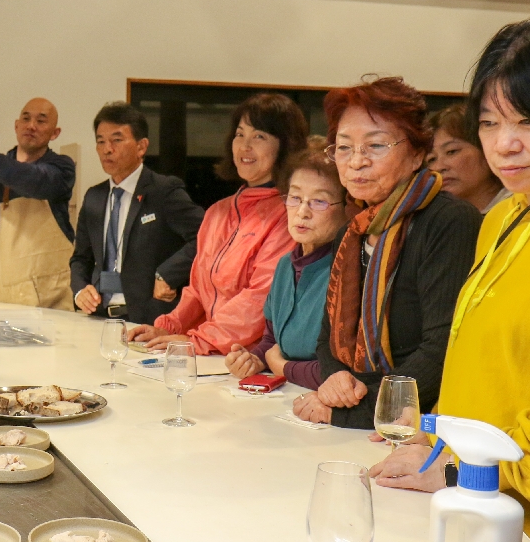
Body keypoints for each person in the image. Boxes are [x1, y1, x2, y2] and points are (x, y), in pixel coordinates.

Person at [368, 13, 530, 542]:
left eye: (529, 120)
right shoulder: (505, 219)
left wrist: (460, 472)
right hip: (472, 512)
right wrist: (440, 452)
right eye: (489, 122)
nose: (505, 145)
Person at [292, 77, 480, 428]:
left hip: (413, 426)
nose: (356, 162)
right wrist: (333, 380)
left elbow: (442, 348)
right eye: (344, 147)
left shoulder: (448, 219)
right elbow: (327, 335)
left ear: (417, 154)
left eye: (375, 146)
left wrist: (352, 413)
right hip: (355, 413)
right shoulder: (352, 229)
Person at [128, 93, 305, 354]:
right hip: (208, 353)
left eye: (259, 136)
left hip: (253, 360)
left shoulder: (289, 213)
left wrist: (198, 340)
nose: (245, 146)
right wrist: (170, 327)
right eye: (239, 134)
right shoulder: (217, 212)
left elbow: (259, 299)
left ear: (285, 146)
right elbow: (198, 288)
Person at [225, 137, 351, 388]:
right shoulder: (285, 265)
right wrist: (253, 359)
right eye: (295, 198)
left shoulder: (348, 270)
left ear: (346, 207)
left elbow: (336, 373)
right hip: (289, 397)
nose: (303, 211)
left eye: (319, 201)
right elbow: (272, 342)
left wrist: (280, 366)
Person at [69, 102, 204, 324]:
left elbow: (205, 236)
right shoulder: (94, 197)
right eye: (100, 141)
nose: (107, 149)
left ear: (141, 147)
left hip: (149, 319)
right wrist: (80, 290)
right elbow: (80, 258)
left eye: (116, 140)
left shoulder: (163, 191)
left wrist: (168, 274)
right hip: (99, 318)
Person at [0, 99, 77, 309]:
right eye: (26, 119)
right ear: (16, 126)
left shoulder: (61, 168)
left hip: (50, 301)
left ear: (55, 133)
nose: (31, 126)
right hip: (5, 296)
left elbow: (32, 179)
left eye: (41, 121)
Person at [427, 103, 511, 213]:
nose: (438, 167)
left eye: (451, 151)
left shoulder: (521, 207)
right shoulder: (438, 219)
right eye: (431, 159)